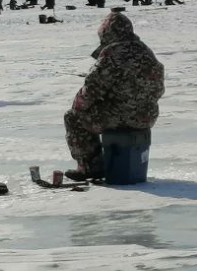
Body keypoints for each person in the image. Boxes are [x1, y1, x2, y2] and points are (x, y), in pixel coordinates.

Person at [63, 11, 164, 181]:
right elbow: (158, 89)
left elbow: (92, 89)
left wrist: (78, 106)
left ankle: (90, 167)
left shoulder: (113, 53)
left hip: (120, 116)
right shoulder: (146, 51)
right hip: (147, 116)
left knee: (73, 117)